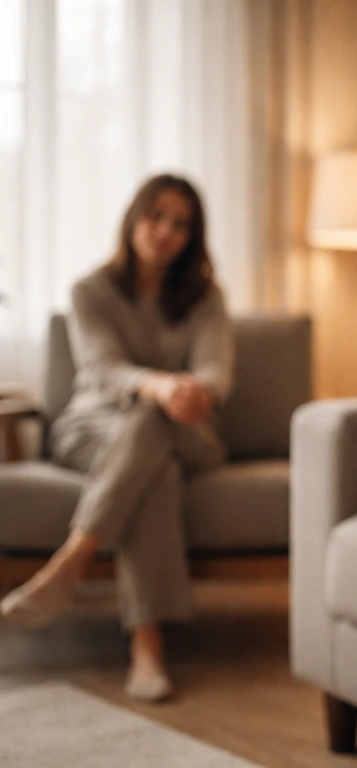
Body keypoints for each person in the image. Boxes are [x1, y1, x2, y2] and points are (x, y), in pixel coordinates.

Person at [0, 174, 233, 702]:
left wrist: (197, 391)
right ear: (133, 218)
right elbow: (104, 369)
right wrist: (157, 385)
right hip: (92, 429)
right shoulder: (91, 290)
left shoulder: (206, 297)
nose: (165, 232)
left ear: (192, 237)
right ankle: (146, 647)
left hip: (188, 427)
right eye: (156, 216)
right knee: (156, 461)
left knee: (159, 424)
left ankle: (73, 560)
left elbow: (218, 370)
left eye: (180, 224)